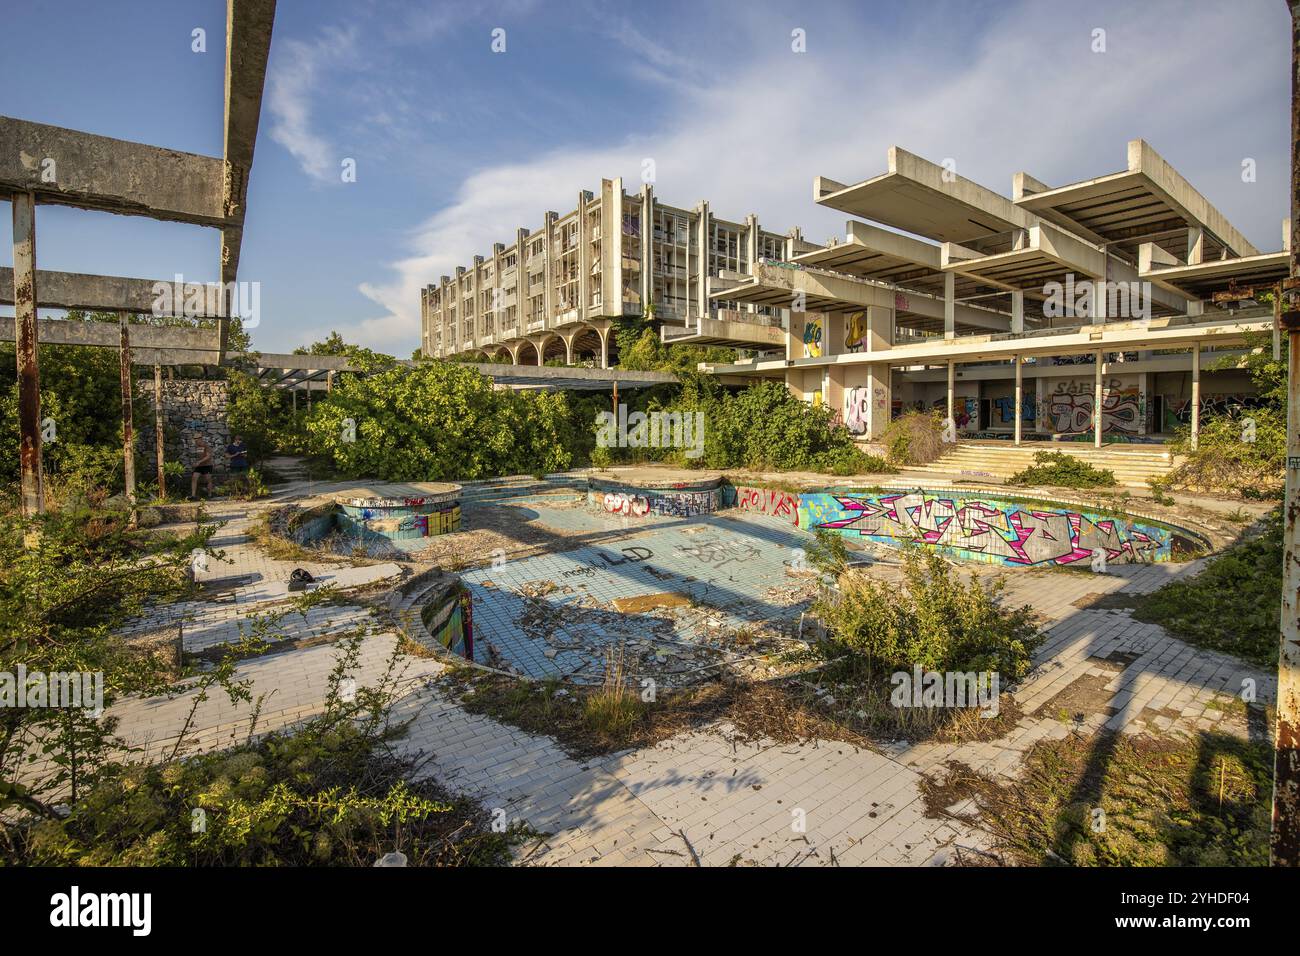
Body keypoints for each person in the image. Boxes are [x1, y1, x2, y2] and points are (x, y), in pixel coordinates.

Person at [189, 435, 214, 500]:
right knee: (194, 478)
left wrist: (199, 461)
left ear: (200, 439)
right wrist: (196, 463)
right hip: (199, 466)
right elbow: (198, 456)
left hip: (207, 465)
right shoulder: (197, 447)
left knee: (208, 480)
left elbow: (208, 456)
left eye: (196, 439)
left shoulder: (206, 446)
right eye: (194, 439)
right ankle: (193, 495)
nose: (195, 441)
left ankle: (210, 494)